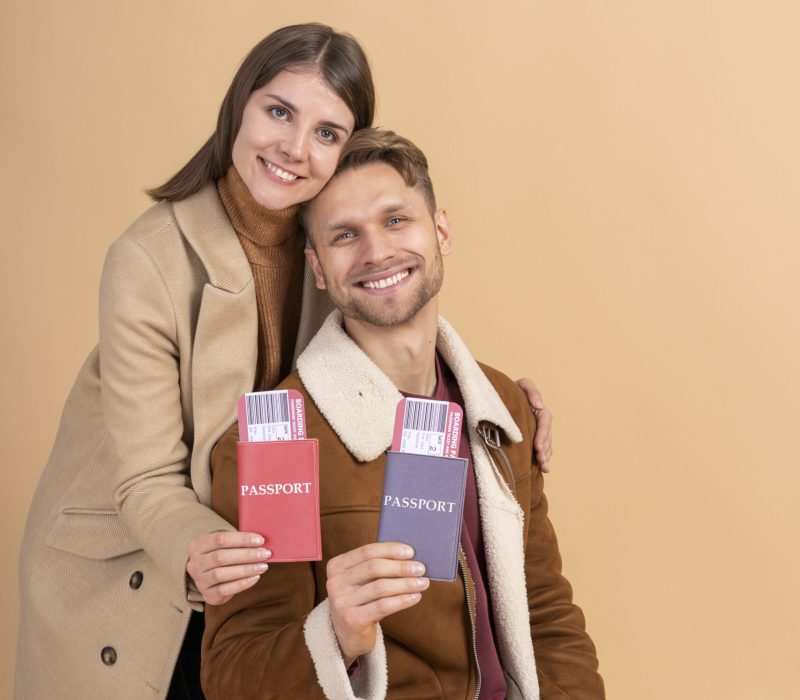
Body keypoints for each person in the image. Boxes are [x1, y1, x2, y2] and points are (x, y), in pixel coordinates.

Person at [15, 23, 552, 700]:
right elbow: (145, 481)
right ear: (239, 105)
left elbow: (396, 297)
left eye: (328, 132)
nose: (296, 149)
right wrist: (204, 549)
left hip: (270, 534)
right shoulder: (145, 261)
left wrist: (490, 397)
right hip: (147, 556)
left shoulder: (330, 234)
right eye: (279, 112)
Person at [203, 129, 603, 699]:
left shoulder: (501, 404)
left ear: (440, 231)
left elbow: (546, 612)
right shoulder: (277, 443)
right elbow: (234, 675)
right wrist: (334, 634)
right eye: (345, 235)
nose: (377, 252)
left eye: (396, 220)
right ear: (317, 268)